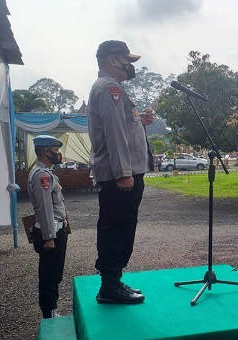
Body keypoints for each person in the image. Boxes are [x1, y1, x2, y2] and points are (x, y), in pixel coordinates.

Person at [88, 40, 154, 304]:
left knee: (119, 226)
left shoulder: (109, 88)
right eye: (127, 60)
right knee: (118, 228)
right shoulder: (110, 88)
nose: (130, 66)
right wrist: (124, 173)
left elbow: (120, 127)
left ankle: (112, 281)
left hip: (120, 174)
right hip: (120, 177)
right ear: (113, 60)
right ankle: (110, 287)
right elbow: (114, 135)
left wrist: (139, 121)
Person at [28, 135, 68, 319]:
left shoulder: (45, 172)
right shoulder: (43, 175)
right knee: (50, 276)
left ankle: (51, 310)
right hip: (50, 232)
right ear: (46, 152)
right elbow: (45, 207)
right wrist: (49, 237)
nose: (58, 154)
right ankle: (49, 313)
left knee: (53, 274)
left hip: (54, 229)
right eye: (56, 151)